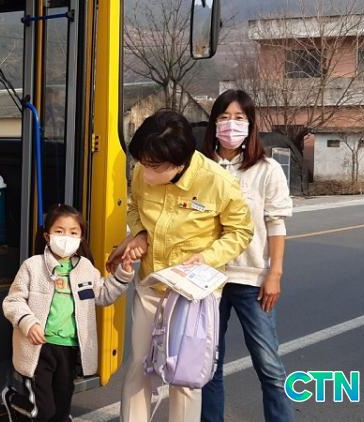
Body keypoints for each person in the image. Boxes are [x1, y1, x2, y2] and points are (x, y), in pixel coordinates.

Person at [106, 109, 253, 422]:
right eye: (142, 163)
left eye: (154, 167)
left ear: (179, 162)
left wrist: (207, 257)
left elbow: (241, 232)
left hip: (193, 296)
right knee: (140, 367)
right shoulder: (144, 169)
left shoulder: (217, 182)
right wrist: (140, 233)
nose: (145, 173)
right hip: (151, 285)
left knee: (184, 376)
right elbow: (133, 207)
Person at [200, 89, 294, 422]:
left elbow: (275, 224)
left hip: (251, 279)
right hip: (207, 280)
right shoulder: (199, 167)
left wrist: (274, 273)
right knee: (208, 366)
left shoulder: (267, 169)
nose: (231, 124)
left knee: (269, 366)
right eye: (224, 117)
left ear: (251, 124)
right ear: (214, 123)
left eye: (239, 117)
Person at [2, 204, 135, 422]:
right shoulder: (33, 266)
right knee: (43, 412)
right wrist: (28, 323)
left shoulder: (85, 268)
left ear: (81, 237)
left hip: (69, 350)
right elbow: (13, 301)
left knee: (61, 412)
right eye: (59, 231)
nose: (66, 238)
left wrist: (123, 275)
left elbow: (103, 295)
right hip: (39, 348)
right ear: (47, 236)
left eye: (73, 232)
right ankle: (13, 399)